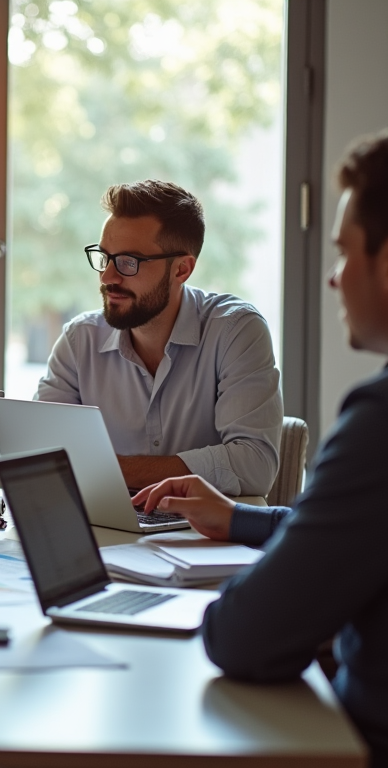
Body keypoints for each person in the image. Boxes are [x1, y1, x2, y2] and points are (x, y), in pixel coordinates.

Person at [133, 131, 388, 768]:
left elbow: (242, 638)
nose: (334, 278)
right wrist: (243, 519)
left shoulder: (380, 420)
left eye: (345, 253)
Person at [35, 180, 283, 494]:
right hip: (106, 531)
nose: (107, 277)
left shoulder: (235, 331)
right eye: (104, 257)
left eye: (128, 262)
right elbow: (39, 455)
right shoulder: (79, 342)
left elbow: (255, 465)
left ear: (182, 269)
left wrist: (116, 471)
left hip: (203, 538)